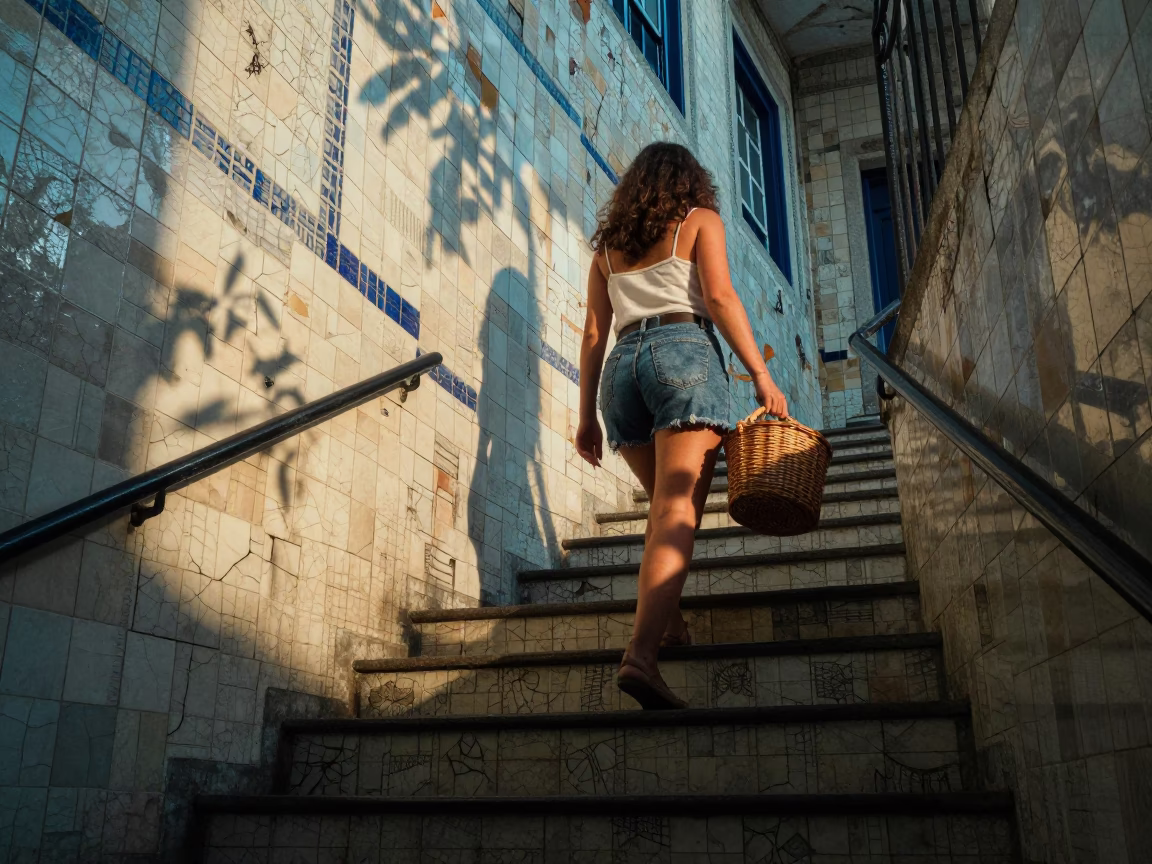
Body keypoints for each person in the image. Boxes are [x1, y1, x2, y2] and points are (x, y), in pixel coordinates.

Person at [575, 142, 788, 710]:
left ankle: (669, 626)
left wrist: (586, 416)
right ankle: (641, 657)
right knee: (676, 511)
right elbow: (719, 297)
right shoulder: (700, 221)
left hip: (620, 373)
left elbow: (594, 334)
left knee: (662, 509)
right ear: (689, 182)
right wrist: (761, 374)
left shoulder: (607, 252)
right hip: (682, 351)